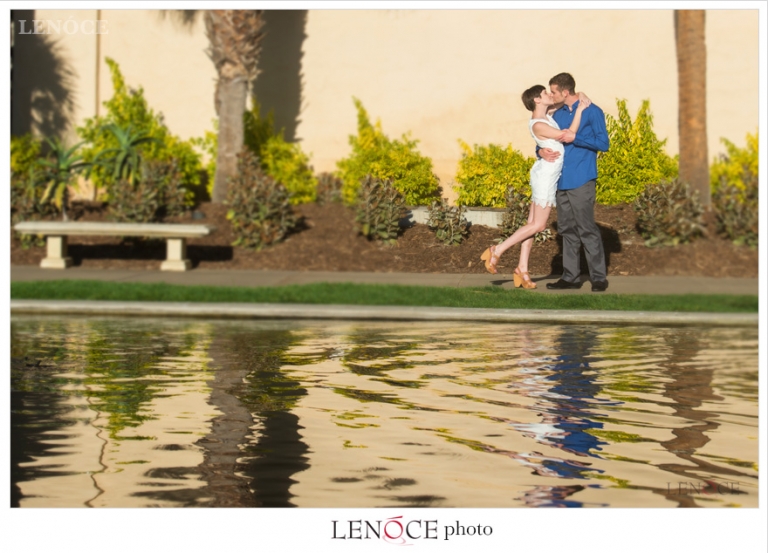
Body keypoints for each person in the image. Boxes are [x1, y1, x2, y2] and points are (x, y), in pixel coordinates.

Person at [480, 84, 589, 289]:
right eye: (544, 93)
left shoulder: (547, 114)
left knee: (531, 224)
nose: (549, 94)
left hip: (544, 172)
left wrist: (580, 95)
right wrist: (581, 110)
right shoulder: (539, 124)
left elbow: (567, 98)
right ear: (537, 100)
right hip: (545, 178)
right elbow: (567, 134)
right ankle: (497, 250)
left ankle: (522, 269)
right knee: (538, 225)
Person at [541, 73, 610, 292]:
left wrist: (576, 138)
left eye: (553, 91)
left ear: (565, 92)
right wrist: (540, 150)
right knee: (567, 230)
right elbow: (543, 137)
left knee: (586, 228)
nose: (551, 95)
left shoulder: (593, 111)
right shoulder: (556, 114)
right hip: (560, 180)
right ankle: (570, 277)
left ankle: (598, 277)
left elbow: (603, 143)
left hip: (582, 179)